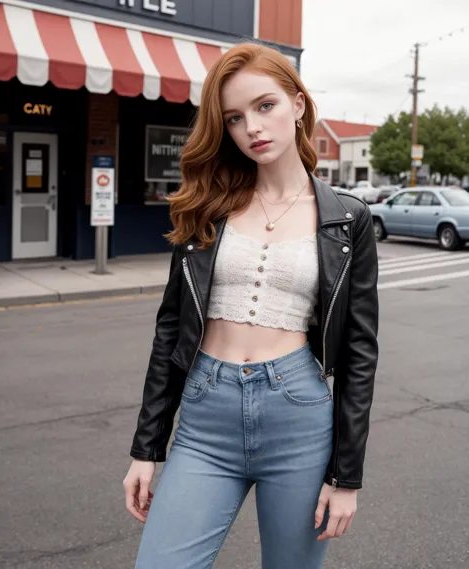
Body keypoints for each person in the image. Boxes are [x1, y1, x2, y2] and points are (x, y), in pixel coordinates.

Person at [123, 42, 379, 569]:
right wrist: (146, 447)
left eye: (266, 106)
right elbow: (169, 331)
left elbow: (359, 353)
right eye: (235, 118)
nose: (252, 129)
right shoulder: (206, 207)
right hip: (204, 417)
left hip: (299, 418)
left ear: (298, 105)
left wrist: (345, 476)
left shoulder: (347, 220)